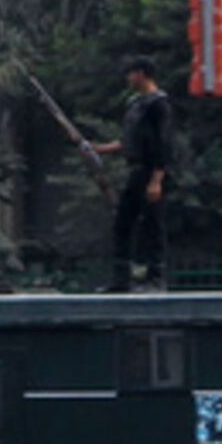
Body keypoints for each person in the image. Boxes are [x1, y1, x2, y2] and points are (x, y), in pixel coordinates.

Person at [88, 56, 174, 292]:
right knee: (123, 222)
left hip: (152, 170)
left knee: (153, 224)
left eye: (131, 73)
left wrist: (157, 179)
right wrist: (100, 149)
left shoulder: (159, 105)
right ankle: (121, 278)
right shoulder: (135, 104)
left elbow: (163, 144)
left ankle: (156, 278)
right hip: (135, 170)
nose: (128, 78)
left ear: (142, 74)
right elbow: (129, 141)